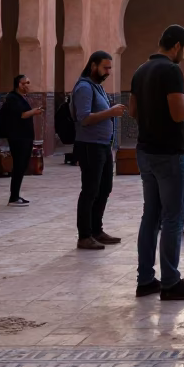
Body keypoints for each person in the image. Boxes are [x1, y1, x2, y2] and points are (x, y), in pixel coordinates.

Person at [128, 24, 184, 300]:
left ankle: (145, 280)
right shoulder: (171, 70)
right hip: (169, 154)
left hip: (145, 151)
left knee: (150, 216)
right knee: (174, 217)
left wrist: (155, 119)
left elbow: (133, 111)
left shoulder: (140, 71)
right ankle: (170, 281)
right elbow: (178, 114)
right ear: (176, 46)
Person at [72, 51, 126, 250]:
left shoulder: (98, 88)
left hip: (102, 145)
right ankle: (84, 235)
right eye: (105, 67)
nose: (108, 72)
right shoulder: (84, 88)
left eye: (110, 68)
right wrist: (111, 112)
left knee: (104, 188)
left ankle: (96, 230)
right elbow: (84, 118)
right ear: (93, 66)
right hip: (89, 146)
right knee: (90, 190)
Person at [0, 74, 41, 206]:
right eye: (26, 83)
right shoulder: (12, 98)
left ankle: (16, 195)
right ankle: (14, 197)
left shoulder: (21, 98)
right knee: (19, 165)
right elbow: (21, 115)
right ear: (20, 85)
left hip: (25, 136)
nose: (28, 85)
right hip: (18, 137)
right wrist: (34, 112)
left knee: (22, 165)